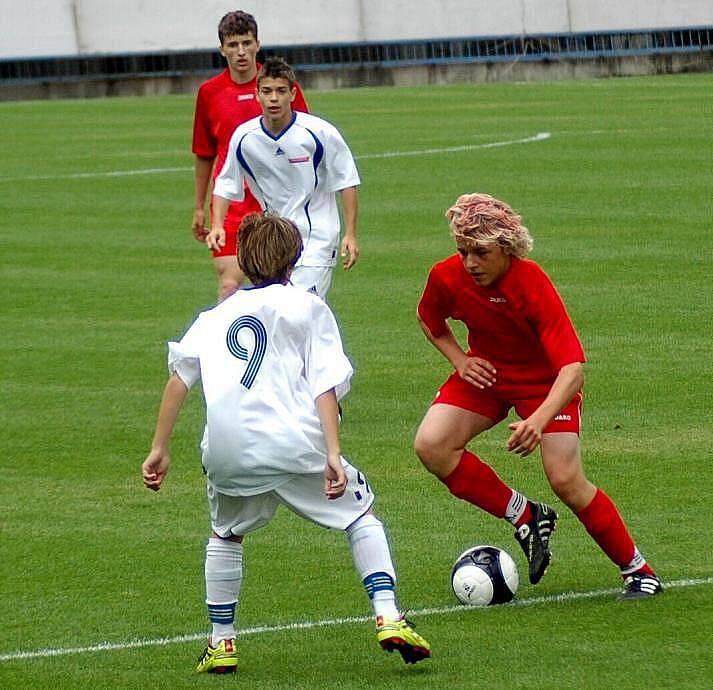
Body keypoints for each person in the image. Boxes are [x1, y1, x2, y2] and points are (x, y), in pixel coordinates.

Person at [142, 213, 431, 674]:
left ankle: (221, 643)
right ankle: (388, 614)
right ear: (296, 258)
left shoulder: (214, 316)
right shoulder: (307, 306)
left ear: (243, 260)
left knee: (226, 533)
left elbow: (179, 380)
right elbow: (325, 383)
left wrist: (160, 448)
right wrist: (332, 454)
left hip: (227, 452)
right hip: (295, 444)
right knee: (360, 513)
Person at [413, 192, 663, 599]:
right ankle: (525, 514)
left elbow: (573, 370)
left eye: (480, 252)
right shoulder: (446, 276)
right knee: (432, 445)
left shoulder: (531, 283)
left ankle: (637, 570)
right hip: (489, 373)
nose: (470, 263)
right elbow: (429, 318)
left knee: (564, 478)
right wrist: (459, 360)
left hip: (547, 385)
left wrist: (537, 420)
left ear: (506, 247)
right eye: (463, 252)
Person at [209, 57, 360, 299]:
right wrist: (217, 225)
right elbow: (226, 184)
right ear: (257, 94)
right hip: (274, 240)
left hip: (317, 239)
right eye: (267, 91)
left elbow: (346, 181)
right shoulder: (245, 137)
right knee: (280, 312)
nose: (273, 98)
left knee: (301, 307)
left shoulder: (319, 132)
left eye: (280, 91)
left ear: (292, 93)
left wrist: (350, 234)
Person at [192, 11, 309, 300]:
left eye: (246, 43)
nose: (241, 52)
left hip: (279, 202)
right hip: (231, 206)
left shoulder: (278, 88)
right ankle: (230, 344)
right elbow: (205, 153)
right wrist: (198, 206)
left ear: (258, 44)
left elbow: (306, 144)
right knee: (229, 287)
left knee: (283, 288)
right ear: (222, 49)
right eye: (233, 45)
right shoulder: (210, 93)